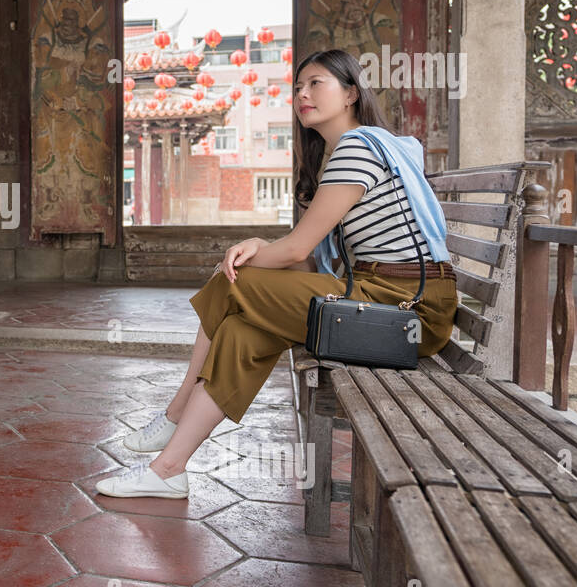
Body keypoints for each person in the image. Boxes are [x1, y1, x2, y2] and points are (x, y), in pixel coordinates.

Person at [95, 48, 460, 499]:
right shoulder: (351, 151)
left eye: (316, 84)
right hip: (381, 297)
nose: (302, 94)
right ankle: (169, 470)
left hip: (407, 312)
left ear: (350, 93)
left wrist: (251, 254)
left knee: (237, 280)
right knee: (242, 330)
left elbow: (298, 248)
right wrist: (257, 248)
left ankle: (173, 415)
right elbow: (307, 259)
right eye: (297, 88)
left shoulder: (357, 148)